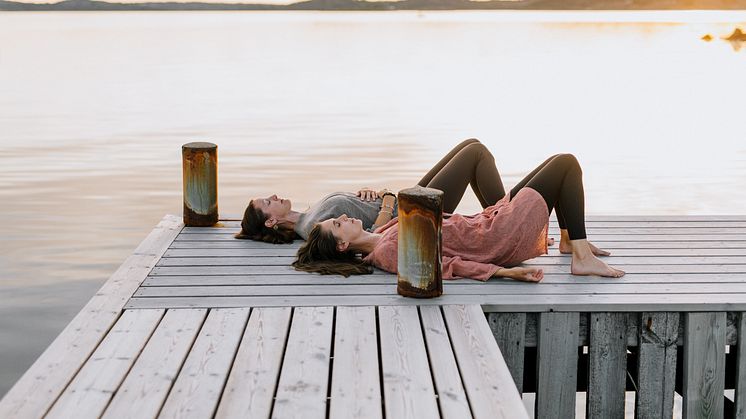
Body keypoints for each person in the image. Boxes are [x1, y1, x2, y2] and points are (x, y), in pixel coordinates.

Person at [293, 153, 625, 280]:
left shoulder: (384, 235)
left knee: (555, 162)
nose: (344, 218)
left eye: (337, 219)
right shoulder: (387, 252)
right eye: (337, 224)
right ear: (341, 246)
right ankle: (580, 257)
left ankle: (571, 241)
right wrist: (502, 273)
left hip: (488, 225)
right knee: (566, 164)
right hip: (497, 237)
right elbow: (448, 264)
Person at [236, 138, 518, 244]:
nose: (273, 196)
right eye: (266, 202)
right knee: (476, 153)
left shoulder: (309, 214)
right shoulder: (311, 228)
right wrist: (385, 202)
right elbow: (370, 234)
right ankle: (508, 223)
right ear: (271, 221)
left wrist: (371, 192)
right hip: (414, 214)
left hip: (405, 200)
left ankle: (499, 217)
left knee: (470, 144)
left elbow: (355, 211)